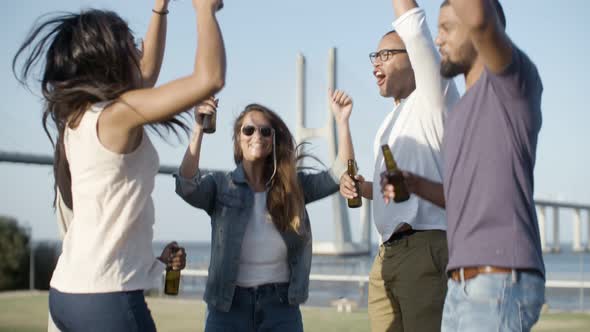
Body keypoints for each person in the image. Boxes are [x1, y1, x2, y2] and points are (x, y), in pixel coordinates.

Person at [13, 0, 225, 330]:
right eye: (128, 44)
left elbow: (146, 74)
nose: (137, 50)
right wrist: (204, 9)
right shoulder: (117, 116)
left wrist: (160, 7)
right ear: (109, 59)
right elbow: (209, 77)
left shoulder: (78, 117)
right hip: (106, 298)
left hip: (66, 292)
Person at [174, 90, 355, 331]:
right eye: (248, 130)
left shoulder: (294, 186)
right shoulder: (220, 185)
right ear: (238, 140)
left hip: (280, 307)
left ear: (272, 141)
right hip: (228, 307)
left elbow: (340, 172)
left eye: (265, 131)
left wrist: (342, 121)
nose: (256, 135)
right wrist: (198, 129)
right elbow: (186, 186)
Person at [339, 0, 458, 330]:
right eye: (373, 57)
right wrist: (360, 187)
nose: (376, 63)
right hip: (385, 257)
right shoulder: (387, 125)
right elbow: (391, 192)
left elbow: (414, 27)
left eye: (386, 55)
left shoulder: (435, 95)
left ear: (415, 60)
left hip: (426, 248)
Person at [433, 1, 545, 330]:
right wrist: (413, 185)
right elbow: (458, 200)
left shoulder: (512, 83)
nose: (438, 40)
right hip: (459, 285)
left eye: (447, 28)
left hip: (496, 281)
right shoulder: (459, 111)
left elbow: (481, 20)